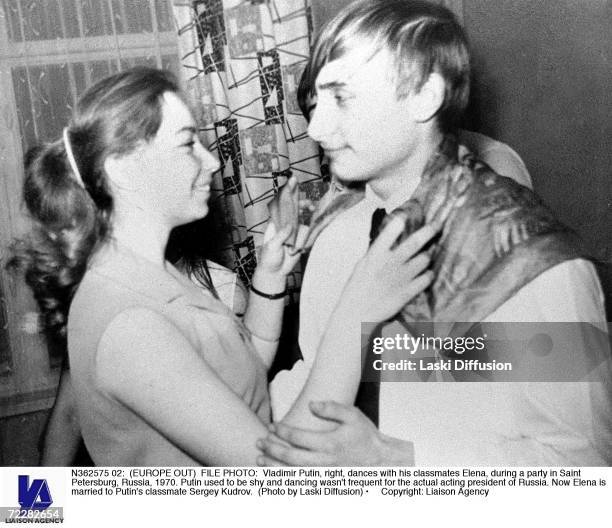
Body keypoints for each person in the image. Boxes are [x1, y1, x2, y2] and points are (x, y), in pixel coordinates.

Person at [13, 67, 434, 465]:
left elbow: (240, 369)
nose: (211, 162)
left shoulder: (147, 270)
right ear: (122, 169)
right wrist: (355, 312)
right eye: (186, 144)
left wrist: (269, 277)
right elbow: (275, 475)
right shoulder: (129, 323)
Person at [260, 0, 611, 466]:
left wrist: (396, 460)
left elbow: (582, 471)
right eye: (316, 103)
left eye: (342, 97)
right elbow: (315, 378)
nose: (318, 128)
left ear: (425, 96)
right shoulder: (336, 239)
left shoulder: (525, 259)